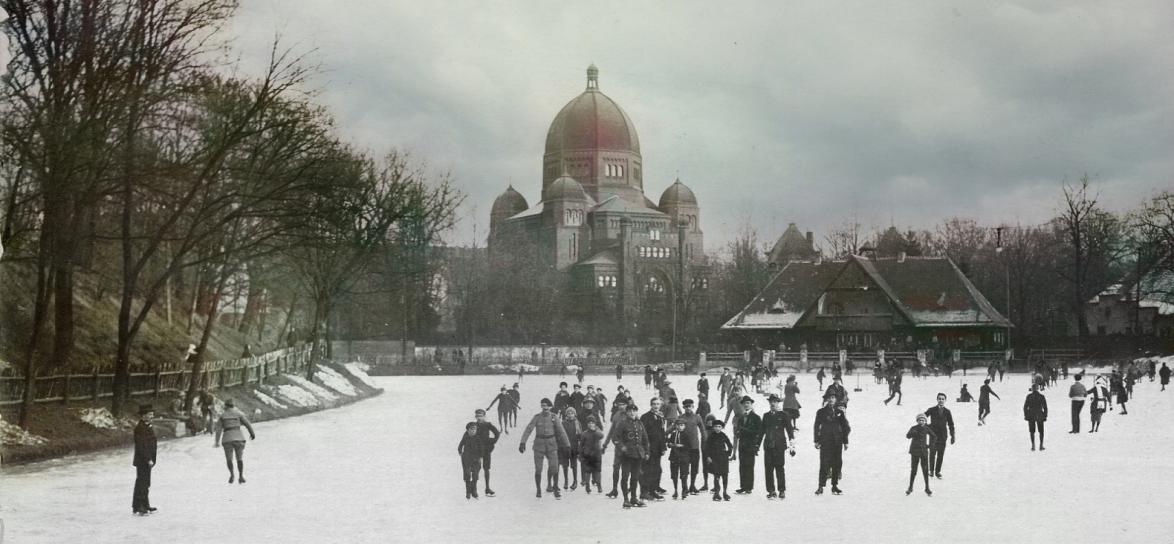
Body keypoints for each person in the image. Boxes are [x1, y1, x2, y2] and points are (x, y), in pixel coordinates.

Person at [519, 398, 571, 499]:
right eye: (543, 406)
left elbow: (561, 431)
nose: (545, 408)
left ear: (550, 407)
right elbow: (529, 429)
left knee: (554, 467)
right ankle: (538, 489)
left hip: (551, 445)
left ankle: (555, 488)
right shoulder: (537, 417)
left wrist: (567, 445)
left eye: (546, 406)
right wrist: (522, 442)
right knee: (538, 469)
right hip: (539, 445)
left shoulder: (554, 417)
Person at [605, 403, 649, 508]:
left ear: (636, 412)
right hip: (626, 455)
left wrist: (647, 452)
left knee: (635, 477)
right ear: (627, 412)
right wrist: (622, 447)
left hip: (638, 455)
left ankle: (634, 498)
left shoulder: (639, 423)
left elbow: (645, 439)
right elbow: (615, 438)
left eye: (634, 411)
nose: (632, 413)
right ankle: (626, 499)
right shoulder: (622, 423)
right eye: (630, 411)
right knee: (625, 477)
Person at [813, 394, 850, 495]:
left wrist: (846, 441)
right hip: (825, 441)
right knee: (824, 464)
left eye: (833, 398)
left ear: (836, 399)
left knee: (836, 464)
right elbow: (816, 426)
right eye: (829, 398)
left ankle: (834, 486)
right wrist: (816, 440)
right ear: (826, 399)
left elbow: (844, 427)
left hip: (837, 442)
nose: (831, 399)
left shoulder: (840, 412)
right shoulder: (821, 412)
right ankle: (820, 486)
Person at [761, 394, 796, 499]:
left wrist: (792, 446)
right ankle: (771, 491)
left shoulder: (784, 415)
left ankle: (781, 490)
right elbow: (761, 431)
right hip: (768, 446)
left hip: (779, 446)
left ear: (778, 403)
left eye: (775, 401)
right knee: (768, 469)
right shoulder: (766, 416)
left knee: (779, 468)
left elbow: (790, 431)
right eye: (771, 402)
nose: (772, 403)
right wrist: (756, 444)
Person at [213, 399, 256, 484]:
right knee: (239, 458)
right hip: (239, 438)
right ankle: (241, 476)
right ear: (233, 406)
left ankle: (232, 474)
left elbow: (218, 430)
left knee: (229, 459)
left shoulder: (222, 416)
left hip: (227, 439)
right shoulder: (239, 414)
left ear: (226, 406)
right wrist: (252, 434)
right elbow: (247, 424)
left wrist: (217, 442)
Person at [731, 395, 763, 495]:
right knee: (742, 466)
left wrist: (743, 431)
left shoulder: (756, 417)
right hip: (742, 445)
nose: (746, 405)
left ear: (751, 404)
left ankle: (749, 487)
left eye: (748, 403)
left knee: (749, 466)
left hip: (750, 445)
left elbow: (758, 432)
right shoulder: (741, 417)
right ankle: (743, 486)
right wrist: (737, 433)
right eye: (744, 403)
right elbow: (737, 430)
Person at [639, 398, 668, 502]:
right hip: (648, 448)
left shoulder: (660, 417)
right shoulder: (645, 417)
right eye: (654, 404)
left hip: (657, 449)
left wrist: (663, 447)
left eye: (658, 404)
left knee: (657, 470)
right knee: (647, 470)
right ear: (651, 405)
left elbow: (662, 432)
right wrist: (645, 449)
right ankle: (644, 493)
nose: (656, 406)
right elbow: (642, 434)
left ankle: (653, 490)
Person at [132, 404, 158, 515]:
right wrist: (148, 459)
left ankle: (145, 504)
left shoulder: (147, 426)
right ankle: (139, 506)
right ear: (143, 415)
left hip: (147, 460)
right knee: (142, 483)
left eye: (152, 414)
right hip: (143, 460)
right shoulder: (140, 428)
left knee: (145, 482)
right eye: (150, 414)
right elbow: (142, 446)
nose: (152, 416)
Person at [923, 393, 954, 479]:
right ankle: (931, 471)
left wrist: (952, 436)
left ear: (945, 400)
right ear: (937, 399)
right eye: (939, 398)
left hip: (943, 436)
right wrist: (927, 426)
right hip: (933, 435)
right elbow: (922, 417)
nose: (941, 400)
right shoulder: (932, 409)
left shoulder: (947, 412)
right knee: (932, 453)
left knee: (941, 454)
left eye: (943, 399)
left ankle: (937, 471)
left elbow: (951, 424)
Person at [678, 399, 705, 494]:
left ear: (692, 406)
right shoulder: (680, 417)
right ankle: (684, 487)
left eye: (690, 406)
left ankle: (692, 485)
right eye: (686, 406)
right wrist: (664, 434)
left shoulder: (697, 417)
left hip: (695, 446)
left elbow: (702, 429)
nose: (688, 408)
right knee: (684, 468)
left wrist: (705, 441)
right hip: (684, 447)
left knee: (694, 467)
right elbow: (673, 427)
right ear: (684, 407)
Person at [905, 413, 935, 496]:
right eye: (919, 420)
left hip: (924, 452)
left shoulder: (927, 428)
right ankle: (910, 487)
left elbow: (934, 436)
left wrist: (930, 445)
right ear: (917, 421)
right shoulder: (913, 428)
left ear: (925, 421)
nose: (921, 421)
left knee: (925, 470)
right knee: (913, 470)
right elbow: (907, 436)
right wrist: (912, 433)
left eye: (923, 420)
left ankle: (927, 488)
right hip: (914, 452)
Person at [473, 409, 501, 496]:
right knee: (476, 468)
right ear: (475, 416)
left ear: (484, 416)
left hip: (486, 449)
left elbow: (497, 433)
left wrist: (493, 441)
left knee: (486, 468)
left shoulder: (488, 424)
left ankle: (487, 488)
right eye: (477, 416)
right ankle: (474, 489)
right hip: (476, 449)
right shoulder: (473, 425)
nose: (479, 417)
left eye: (481, 415)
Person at [705, 419, 733, 501]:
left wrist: (728, 453)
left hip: (723, 459)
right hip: (714, 459)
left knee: (725, 476)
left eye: (719, 426)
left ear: (722, 427)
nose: (717, 428)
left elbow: (730, 445)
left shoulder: (723, 435)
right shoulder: (711, 436)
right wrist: (708, 457)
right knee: (716, 476)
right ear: (713, 427)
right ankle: (716, 493)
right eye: (716, 426)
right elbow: (707, 448)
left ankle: (725, 492)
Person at [458, 422, 485, 499]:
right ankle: (468, 492)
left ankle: (474, 490)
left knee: (475, 475)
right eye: (471, 429)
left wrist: (480, 457)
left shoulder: (478, 438)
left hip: (476, 459)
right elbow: (460, 445)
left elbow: (482, 449)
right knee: (467, 475)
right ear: (467, 430)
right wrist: (460, 452)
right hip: (466, 458)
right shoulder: (465, 437)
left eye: (475, 429)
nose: (473, 431)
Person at [578, 418, 605, 494]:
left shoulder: (597, 431)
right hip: (587, 454)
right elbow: (581, 445)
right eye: (589, 423)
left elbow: (601, 435)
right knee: (588, 471)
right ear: (587, 424)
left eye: (592, 423)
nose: (591, 424)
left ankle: (599, 485)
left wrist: (595, 430)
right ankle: (587, 485)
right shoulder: (584, 433)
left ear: (595, 424)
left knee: (598, 471)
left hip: (597, 454)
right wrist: (580, 455)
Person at [667, 419, 691, 499]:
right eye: (678, 425)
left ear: (684, 426)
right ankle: (675, 490)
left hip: (684, 457)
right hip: (674, 456)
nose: (679, 427)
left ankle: (684, 490)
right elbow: (669, 443)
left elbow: (688, 446)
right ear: (675, 426)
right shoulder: (673, 434)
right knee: (674, 474)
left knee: (684, 474)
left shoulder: (687, 435)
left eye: (681, 425)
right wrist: (670, 444)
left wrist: (681, 446)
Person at [560, 407, 583, 491]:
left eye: (572, 413)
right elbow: (560, 435)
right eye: (568, 413)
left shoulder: (577, 423)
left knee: (574, 465)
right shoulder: (563, 423)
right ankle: (566, 481)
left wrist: (581, 447)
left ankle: (575, 481)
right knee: (565, 465)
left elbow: (580, 436)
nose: (570, 415)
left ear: (574, 414)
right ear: (566, 415)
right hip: (565, 447)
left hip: (574, 447)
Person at [1023, 384, 1048, 451]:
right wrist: (1045, 415)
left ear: (1032, 389)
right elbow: (1045, 407)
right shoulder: (1041, 396)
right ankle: (1041, 445)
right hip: (1040, 415)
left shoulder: (1029, 396)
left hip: (1031, 415)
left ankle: (1033, 445)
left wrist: (1026, 415)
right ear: (1037, 388)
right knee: (1041, 431)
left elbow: (1025, 407)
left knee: (1032, 431)